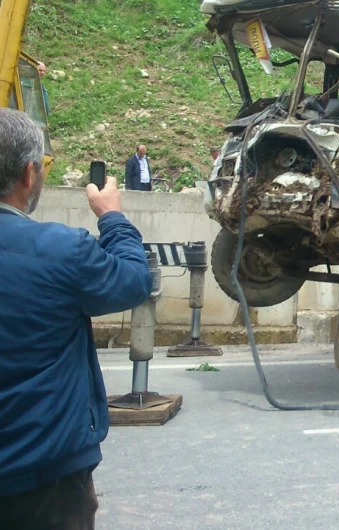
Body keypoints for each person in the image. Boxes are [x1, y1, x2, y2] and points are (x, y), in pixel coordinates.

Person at [0, 108, 152, 529]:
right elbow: (133, 281)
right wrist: (112, 217)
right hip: (42, 478)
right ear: (29, 175)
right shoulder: (61, 251)